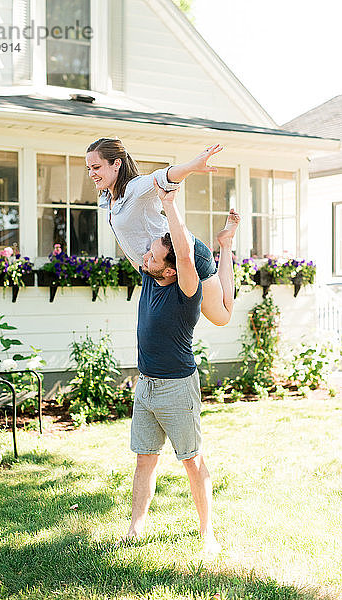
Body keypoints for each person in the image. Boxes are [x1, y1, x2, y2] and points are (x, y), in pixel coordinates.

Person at [120, 179, 240, 554]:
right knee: (144, 459)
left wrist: (171, 206)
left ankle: (208, 534)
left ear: (171, 270)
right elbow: (137, 234)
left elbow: (185, 255)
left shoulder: (186, 289)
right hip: (147, 385)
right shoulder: (151, 271)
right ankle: (136, 527)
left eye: (154, 258)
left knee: (191, 460)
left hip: (176, 387)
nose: (146, 259)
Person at [86, 138, 240, 327]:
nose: (92, 174)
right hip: (160, 268)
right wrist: (143, 271)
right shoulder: (109, 199)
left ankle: (226, 244)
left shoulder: (135, 188)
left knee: (222, 317)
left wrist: (192, 166)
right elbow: (125, 241)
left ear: (116, 163)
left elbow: (163, 176)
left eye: (96, 167)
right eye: (89, 169)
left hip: (188, 255)